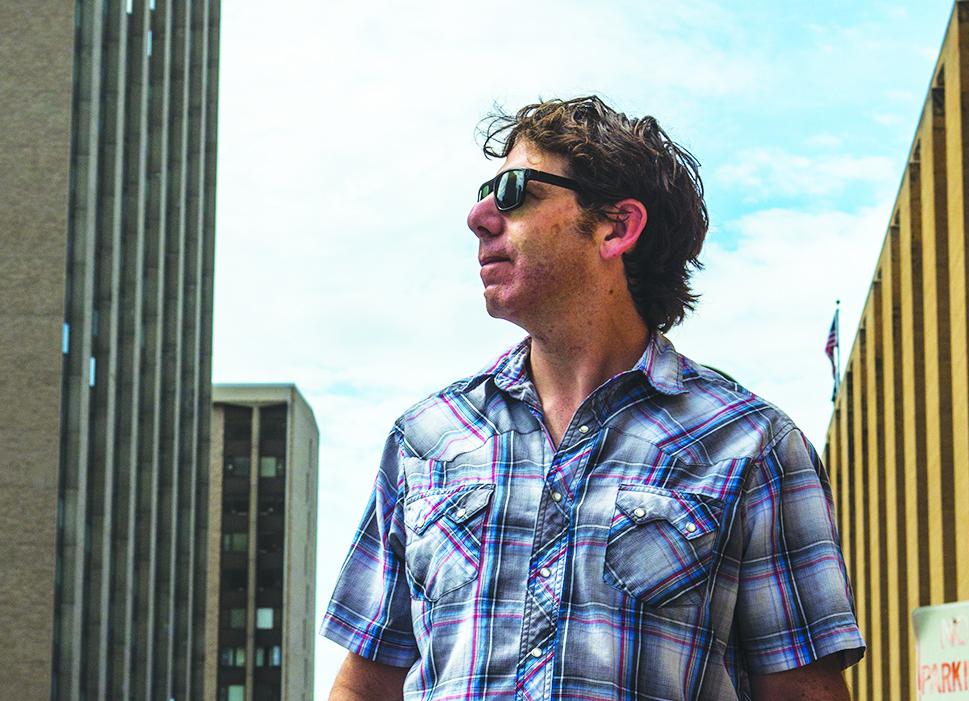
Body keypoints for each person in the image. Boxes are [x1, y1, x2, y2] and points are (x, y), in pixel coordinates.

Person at [322, 96, 864, 700]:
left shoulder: (754, 446)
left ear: (617, 227)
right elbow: (362, 686)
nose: (478, 216)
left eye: (515, 193)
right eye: (484, 193)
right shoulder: (424, 439)